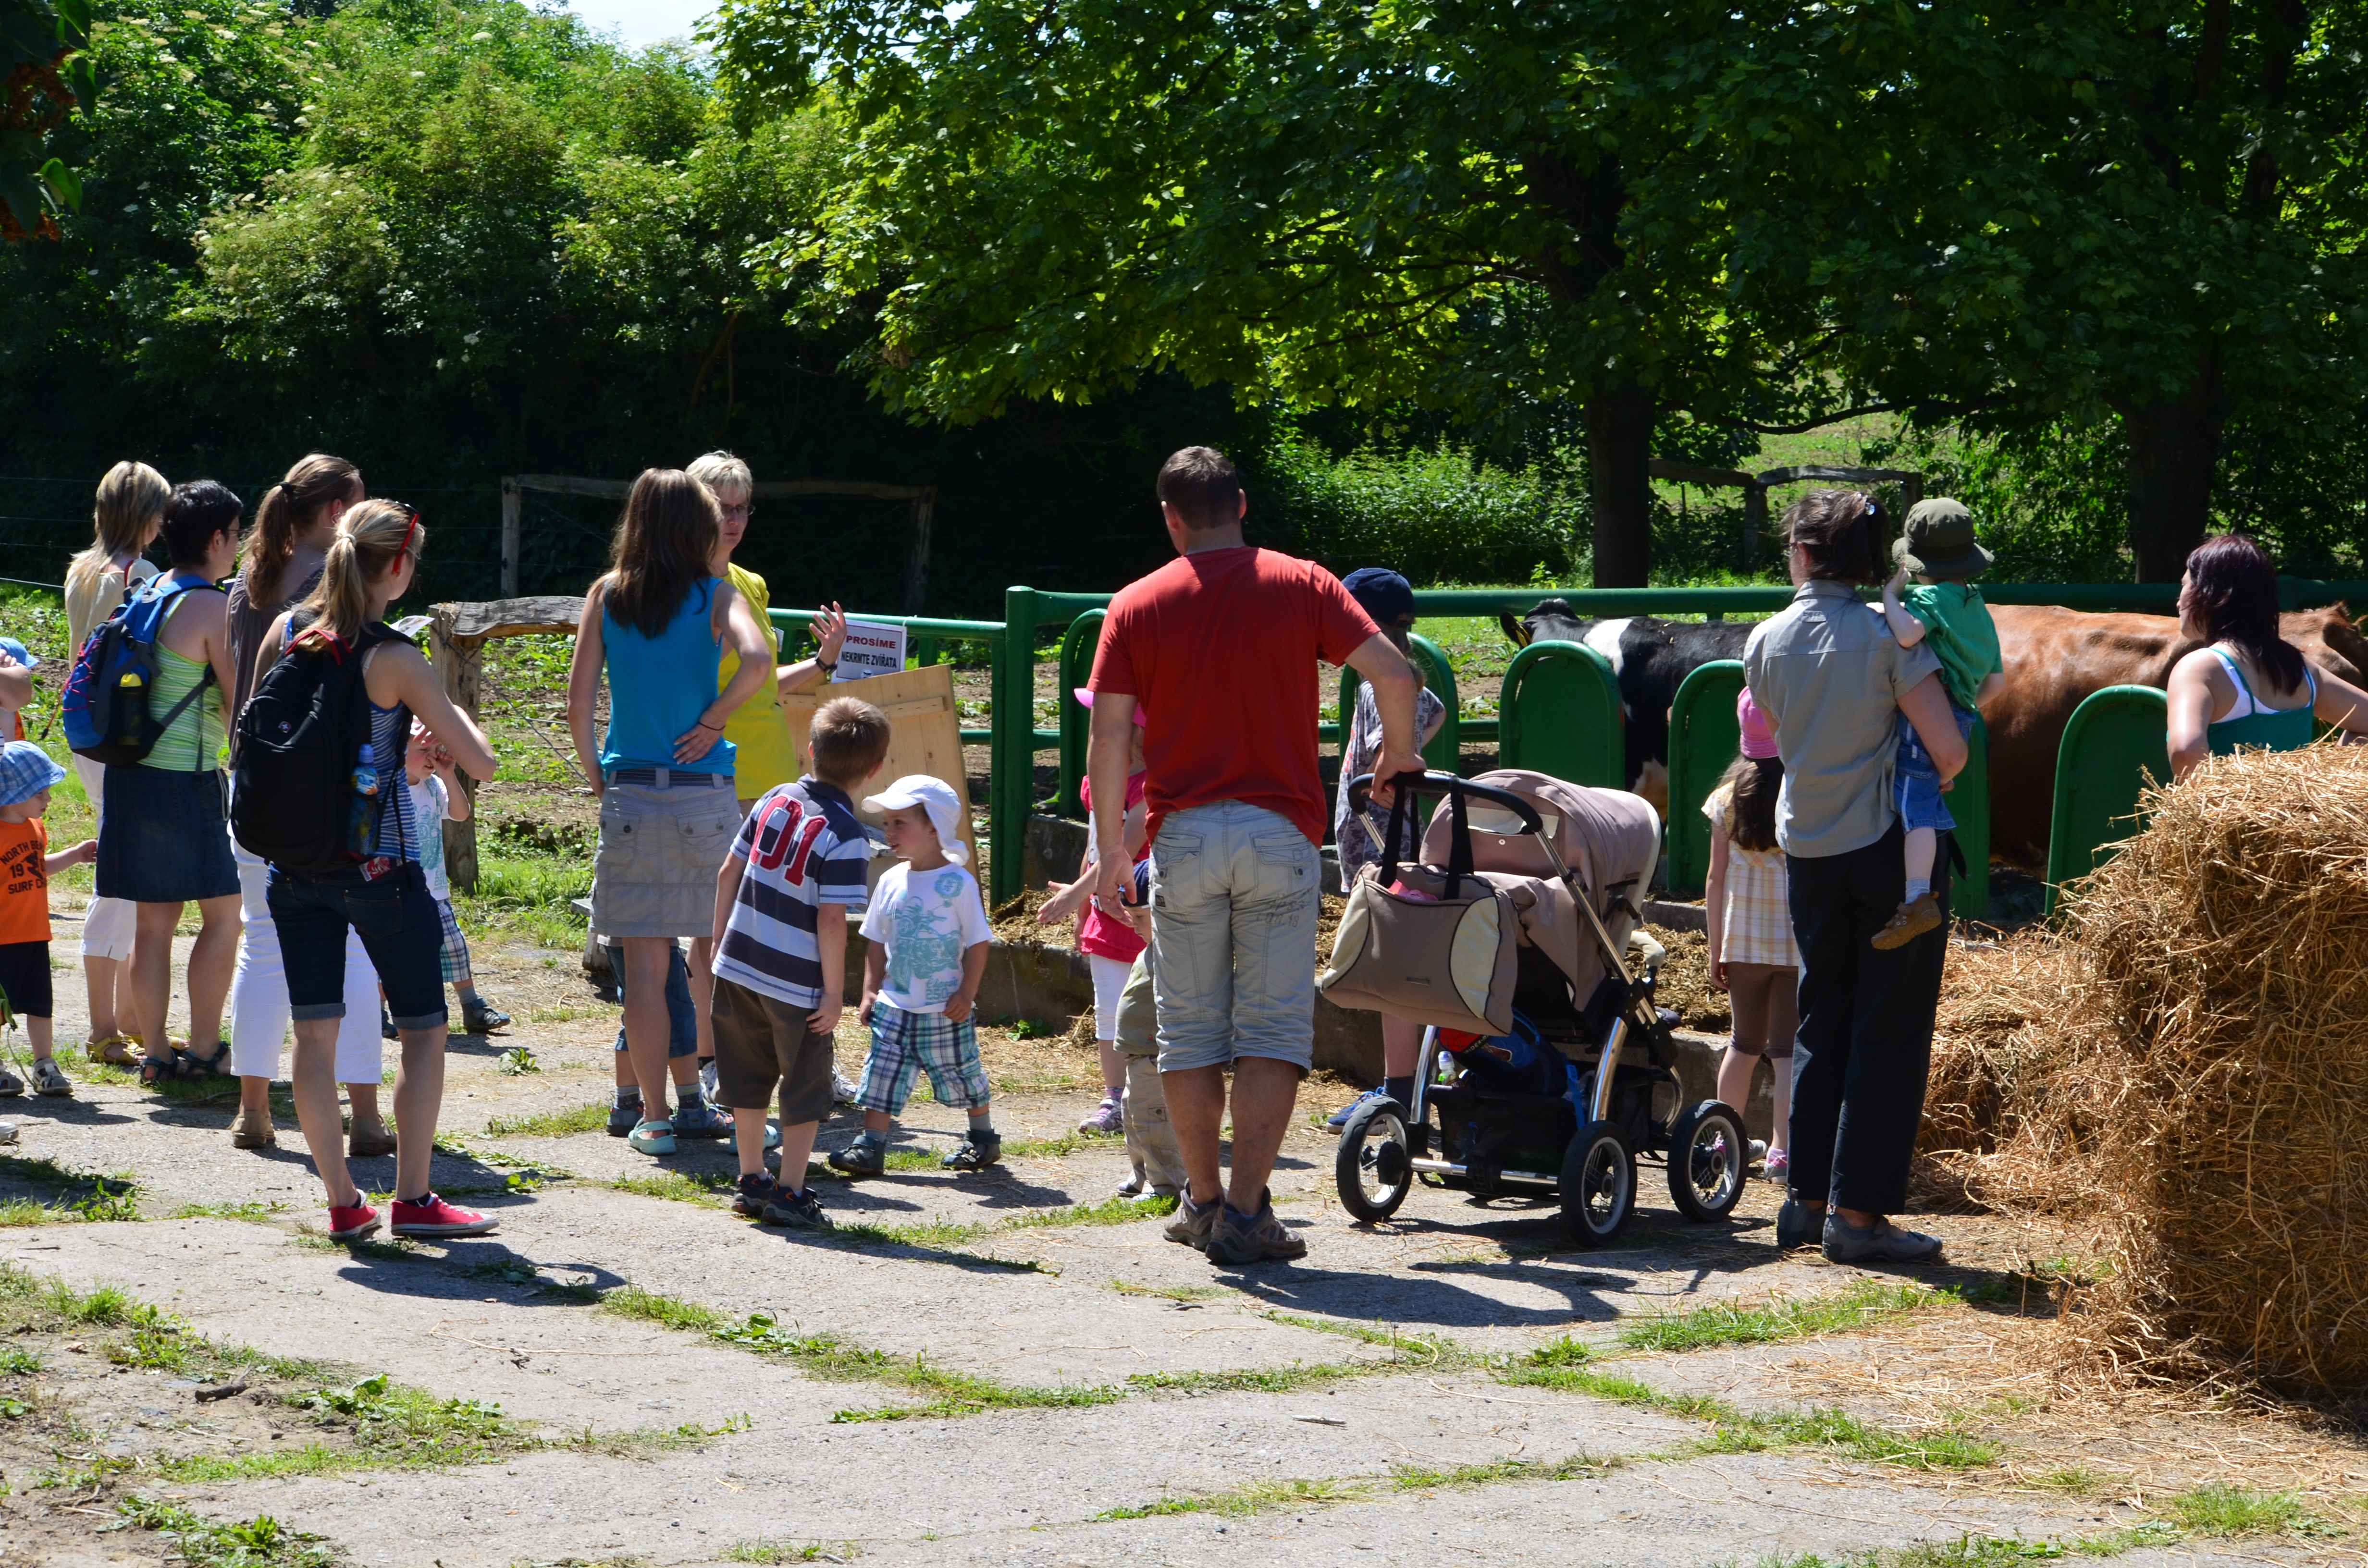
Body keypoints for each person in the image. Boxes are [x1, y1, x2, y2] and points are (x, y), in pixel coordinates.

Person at [1087, 446, 1422, 1265]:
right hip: (1279, 833)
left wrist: (1110, 854)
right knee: (1271, 1033)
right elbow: (1396, 673)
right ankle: (1247, 1213)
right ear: (1240, 504)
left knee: (1188, 1032)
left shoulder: (1133, 604)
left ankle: (1201, 1203)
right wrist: (1398, 754)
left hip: (1183, 837)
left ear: (1170, 518)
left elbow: (1108, 737)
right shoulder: (1302, 582)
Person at [258, 500, 501, 1242]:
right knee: (424, 1031)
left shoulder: (287, 632)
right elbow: (483, 761)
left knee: (314, 1037)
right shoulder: (394, 657)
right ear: (398, 566)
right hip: (379, 869)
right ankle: (415, 1200)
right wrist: (431, 735)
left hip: (293, 866)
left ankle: (343, 1203)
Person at [1744, 489, 1967, 1265]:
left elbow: (1779, 731)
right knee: (1888, 1029)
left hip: (1808, 848)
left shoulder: (1764, 639)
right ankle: (1860, 1216)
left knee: (1821, 1021)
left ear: (1804, 554)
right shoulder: (1885, 638)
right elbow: (1948, 749)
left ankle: (1805, 1203)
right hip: (1888, 849)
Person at [566, 469, 773, 1158]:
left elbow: (578, 702)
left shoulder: (607, 594)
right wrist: (715, 719)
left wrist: (598, 774)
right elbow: (757, 660)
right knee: (722, 956)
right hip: (703, 793)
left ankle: (653, 1118)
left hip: (632, 790)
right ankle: (732, 1105)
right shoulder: (716, 594)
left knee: (645, 972)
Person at [224, 454, 388, 1152]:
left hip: (254, 786)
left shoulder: (248, 577)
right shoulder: (330, 585)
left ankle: (253, 1111)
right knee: (355, 950)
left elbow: (241, 692)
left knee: (260, 945)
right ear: (336, 512)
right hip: (326, 801)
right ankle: (367, 1116)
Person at [711, 696, 890, 1226]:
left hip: (738, 966)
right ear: (874, 769)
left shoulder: (774, 798)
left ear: (810, 750)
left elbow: (727, 873)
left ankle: (750, 1180)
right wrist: (833, 994)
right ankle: (790, 1191)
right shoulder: (848, 836)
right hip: (797, 986)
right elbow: (831, 921)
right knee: (804, 1085)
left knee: (745, 1077)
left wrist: (720, 945)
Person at [97, 481, 245, 1088]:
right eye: (235, 535)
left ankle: (156, 1053)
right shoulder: (212, 607)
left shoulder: (148, 591)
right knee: (225, 916)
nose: (237, 546)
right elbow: (238, 703)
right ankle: (205, 1048)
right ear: (216, 538)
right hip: (186, 780)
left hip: (130, 774)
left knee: (153, 926)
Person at [1321, 566, 1450, 1129]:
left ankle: (1398, 1093)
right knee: (1393, 967)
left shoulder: (1382, 685)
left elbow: (1385, 761)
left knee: (1390, 972)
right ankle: (1410, 1082)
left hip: (1379, 843)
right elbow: (1436, 710)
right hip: (1380, 841)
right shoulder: (1403, 680)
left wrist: (1381, 775)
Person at [832, 775, 996, 1176]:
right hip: (894, 1005)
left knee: (962, 1072)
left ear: (934, 827)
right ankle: (870, 1146)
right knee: (881, 1075)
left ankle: (983, 1138)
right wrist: (870, 991)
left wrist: (966, 993)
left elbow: (979, 942)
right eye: (887, 823)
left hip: (944, 1009)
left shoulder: (958, 884)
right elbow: (875, 940)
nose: (888, 832)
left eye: (899, 823)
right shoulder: (890, 880)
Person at [62, 460, 168, 1064]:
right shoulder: (140, 574)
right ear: (147, 515)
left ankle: (127, 1017)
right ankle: (104, 1028)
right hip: (122, 734)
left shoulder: (81, 569)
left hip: (86, 728)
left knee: (127, 866)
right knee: (121, 874)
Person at [1875, 499, 2005, 949]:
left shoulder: (1928, 599)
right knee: (1927, 789)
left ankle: (1916, 899)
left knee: (1916, 809)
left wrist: (1890, 597)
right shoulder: (1977, 605)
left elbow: (1908, 633)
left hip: (1929, 711)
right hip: (1962, 713)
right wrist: (1959, 714)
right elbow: (1998, 683)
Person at [1035, 688, 1149, 1135]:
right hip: (1107, 916)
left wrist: (1074, 896)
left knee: (1150, 1010)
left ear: (1135, 729)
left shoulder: (1152, 787)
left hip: (1144, 917)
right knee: (1109, 1010)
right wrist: (1085, 910)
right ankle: (1115, 1098)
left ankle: (1152, 1099)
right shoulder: (1099, 781)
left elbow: (1125, 849)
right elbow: (1096, 846)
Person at [2167, 532, 2368, 780]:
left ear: (2212, 593)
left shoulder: (2199, 668)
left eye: (2186, 585)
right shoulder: (2301, 668)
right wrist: (2326, 781)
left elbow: (2185, 752)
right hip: (2298, 806)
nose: (2179, 602)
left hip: (2225, 807)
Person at [1703, 691, 1798, 1180]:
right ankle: (1782, 1150)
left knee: (1742, 1044)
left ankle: (1724, 1140)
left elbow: (1714, 879)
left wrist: (1715, 948)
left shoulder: (1725, 801)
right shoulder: (1801, 794)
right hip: (1796, 945)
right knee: (1786, 1051)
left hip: (1741, 943)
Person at [0, 742, 97, 1096]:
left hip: (34, 934)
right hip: (3, 938)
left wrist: (75, 855)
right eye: (39, 793)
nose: (48, 799)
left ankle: (45, 1064)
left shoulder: (35, 828)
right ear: (13, 795)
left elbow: (37, 867)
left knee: (40, 1005)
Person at [404, 723, 508, 1035]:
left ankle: (472, 1006)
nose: (433, 757)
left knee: (454, 948)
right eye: (423, 750)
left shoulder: (434, 786)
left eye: (436, 750)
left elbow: (461, 814)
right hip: (397, 892)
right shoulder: (387, 789)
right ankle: (381, 1011)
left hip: (434, 891)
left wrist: (449, 775)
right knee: (395, 955)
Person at [1109, 861, 1186, 1199]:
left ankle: (1166, 1184)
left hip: (1156, 1055)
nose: (1133, 924)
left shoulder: (1176, 955)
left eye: (1140, 916)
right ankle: (1142, 1172)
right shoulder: (1153, 948)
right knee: (1133, 1114)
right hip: (1138, 1054)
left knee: (1153, 1118)